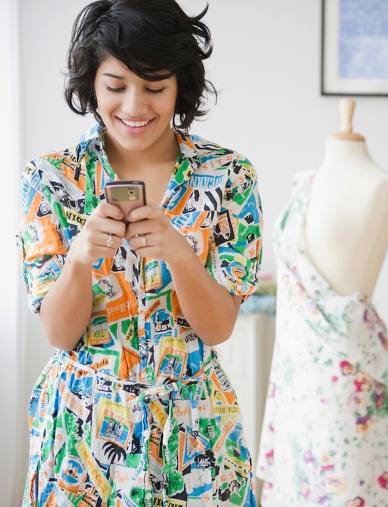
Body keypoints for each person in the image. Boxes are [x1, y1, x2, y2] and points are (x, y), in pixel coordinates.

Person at [16, 1, 263, 505]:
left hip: (194, 430)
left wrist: (179, 254)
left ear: (180, 87)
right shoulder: (49, 180)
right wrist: (79, 259)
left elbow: (217, 328)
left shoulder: (230, 177)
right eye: (116, 86)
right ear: (91, 85)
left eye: (154, 88)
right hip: (83, 433)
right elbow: (61, 334)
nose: (134, 106)